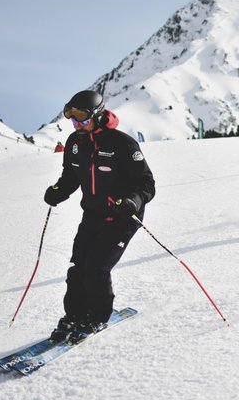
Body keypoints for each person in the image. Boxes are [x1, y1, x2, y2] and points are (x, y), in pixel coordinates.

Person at [43, 90, 155, 342]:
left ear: (98, 114)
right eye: (72, 118)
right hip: (92, 215)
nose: (77, 124)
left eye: (82, 118)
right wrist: (58, 192)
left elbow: (147, 184)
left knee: (96, 268)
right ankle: (74, 315)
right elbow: (71, 177)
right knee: (77, 268)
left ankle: (97, 316)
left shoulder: (123, 145)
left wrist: (132, 202)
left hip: (123, 218)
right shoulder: (73, 143)